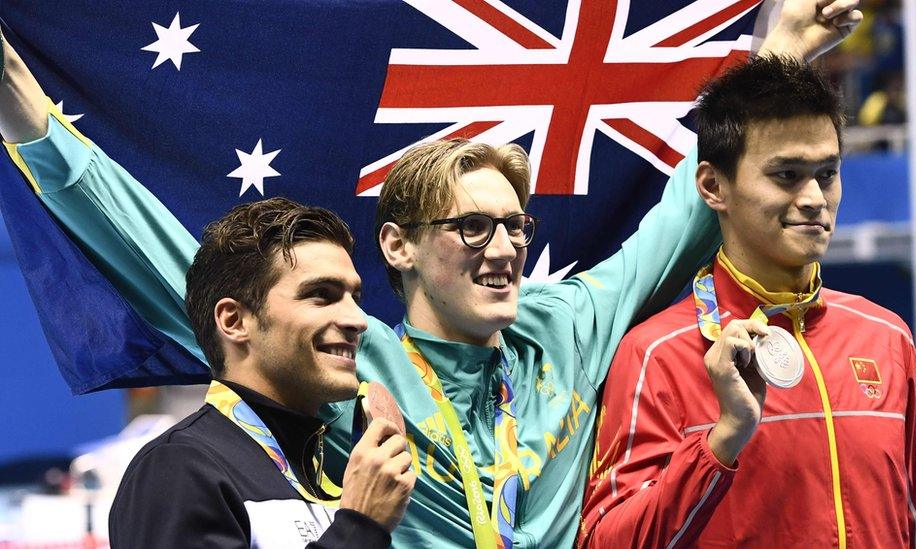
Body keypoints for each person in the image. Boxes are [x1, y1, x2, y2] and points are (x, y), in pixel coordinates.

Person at [0, 3, 861, 545]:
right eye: (471, 226)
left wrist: (773, 51)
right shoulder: (347, 366)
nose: (504, 246)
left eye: (516, 225)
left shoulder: (567, 321)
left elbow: (682, 208)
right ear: (400, 248)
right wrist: (18, 96)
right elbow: (154, 249)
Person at [579, 56, 916, 548]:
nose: (815, 197)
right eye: (787, 175)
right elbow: (606, 542)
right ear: (713, 186)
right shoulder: (656, 354)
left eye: (827, 173)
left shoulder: (885, 337)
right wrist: (722, 440)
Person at [108, 197, 415, 547]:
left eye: (354, 298)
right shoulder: (179, 467)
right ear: (234, 321)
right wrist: (360, 526)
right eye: (321, 295)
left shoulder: (328, 478)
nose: (357, 321)